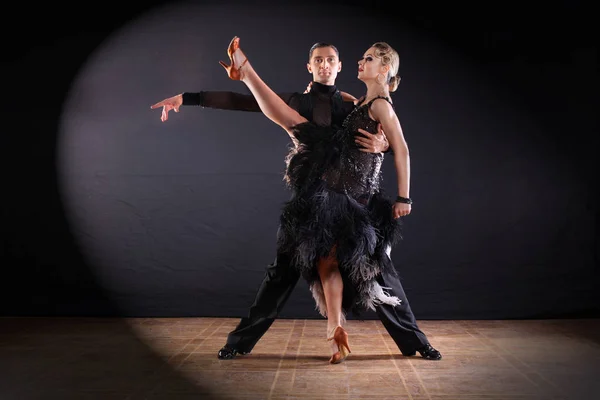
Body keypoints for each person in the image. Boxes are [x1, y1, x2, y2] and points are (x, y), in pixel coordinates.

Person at [151, 41, 440, 362]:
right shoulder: (299, 101)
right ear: (310, 66)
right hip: (311, 203)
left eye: (331, 60)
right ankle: (239, 343)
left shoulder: (351, 102)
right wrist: (187, 98)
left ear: (339, 65)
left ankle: (415, 342)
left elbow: (380, 135)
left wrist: (383, 146)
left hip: (353, 201)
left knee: (378, 272)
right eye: (319, 60)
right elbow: (244, 103)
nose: (325, 65)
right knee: (281, 274)